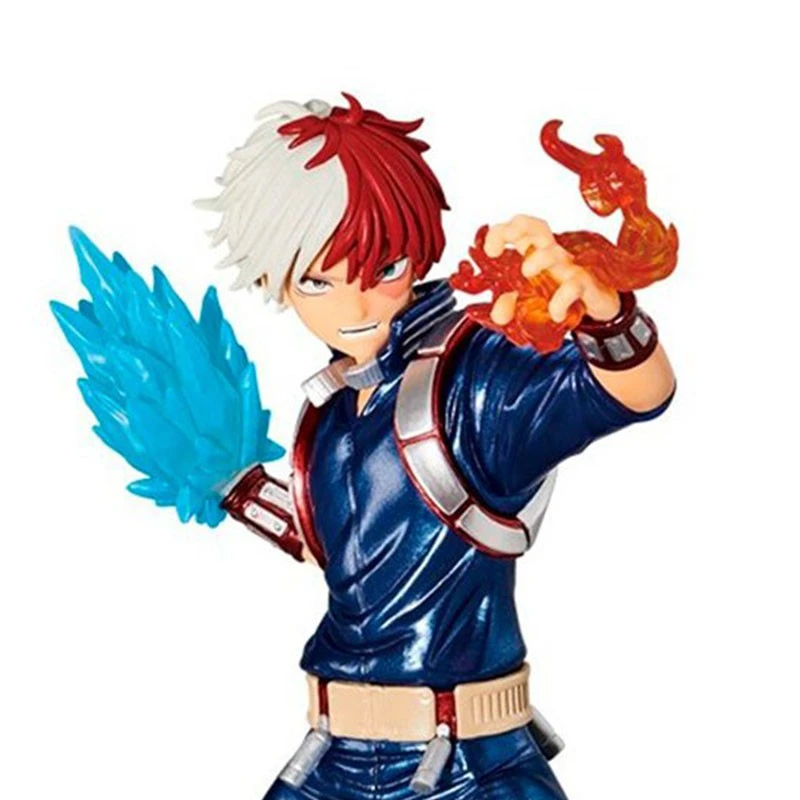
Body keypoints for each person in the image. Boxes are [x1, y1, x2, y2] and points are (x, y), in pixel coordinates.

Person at [198, 93, 676, 800]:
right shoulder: (331, 409)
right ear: (275, 280)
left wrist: (607, 318)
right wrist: (231, 485)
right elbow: (346, 553)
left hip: (466, 767)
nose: (355, 306)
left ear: (417, 249)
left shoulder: (471, 381)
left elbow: (634, 390)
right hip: (329, 758)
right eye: (318, 280)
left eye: (382, 268)